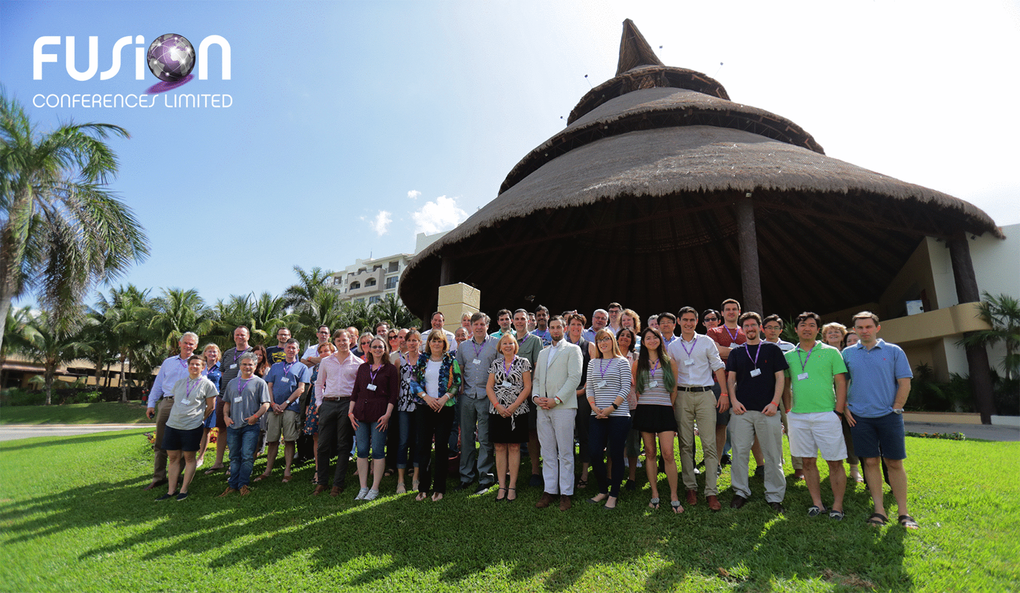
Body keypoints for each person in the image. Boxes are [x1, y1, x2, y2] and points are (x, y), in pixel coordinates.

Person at [842, 311, 917, 529]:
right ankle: (879, 511)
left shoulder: (894, 351)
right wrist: (845, 407)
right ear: (854, 330)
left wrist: (896, 408)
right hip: (859, 418)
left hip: (889, 417)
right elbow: (842, 383)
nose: (864, 331)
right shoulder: (847, 354)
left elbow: (904, 382)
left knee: (894, 462)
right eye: (860, 327)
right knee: (870, 462)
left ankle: (903, 513)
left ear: (877, 328)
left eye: (868, 326)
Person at [782, 312, 849, 520]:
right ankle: (817, 504)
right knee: (807, 462)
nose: (807, 328)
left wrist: (837, 412)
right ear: (796, 329)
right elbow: (786, 385)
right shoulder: (789, 356)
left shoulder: (830, 352)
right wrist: (788, 410)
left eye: (812, 325)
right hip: (798, 417)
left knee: (835, 461)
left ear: (818, 330)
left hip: (826, 415)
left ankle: (837, 505)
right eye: (803, 325)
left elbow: (840, 382)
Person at [726, 312, 789, 514]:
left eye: (754, 325)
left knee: (773, 455)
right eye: (746, 326)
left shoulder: (772, 350)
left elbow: (780, 378)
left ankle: (774, 495)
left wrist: (774, 403)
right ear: (742, 329)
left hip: (767, 410)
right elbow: (731, 379)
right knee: (740, 453)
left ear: (759, 327)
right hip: (741, 411)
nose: (750, 329)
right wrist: (734, 401)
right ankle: (741, 491)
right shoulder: (736, 352)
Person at [666, 307, 727, 511]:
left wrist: (724, 394)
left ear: (697, 321)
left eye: (692, 320)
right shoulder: (673, 346)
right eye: (685, 320)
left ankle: (711, 491)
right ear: (679, 321)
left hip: (704, 394)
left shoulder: (706, 341)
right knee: (685, 444)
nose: (689, 323)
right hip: (682, 395)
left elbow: (718, 367)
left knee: (709, 444)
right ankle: (690, 487)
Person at [533, 316, 582, 511]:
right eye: (551, 327)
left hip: (563, 407)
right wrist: (536, 397)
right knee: (547, 451)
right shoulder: (543, 353)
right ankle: (549, 490)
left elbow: (574, 378)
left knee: (565, 452)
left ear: (564, 328)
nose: (554, 330)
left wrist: (557, 399)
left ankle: (566, 493)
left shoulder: (572, 349)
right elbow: (536, 379)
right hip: (542, 408)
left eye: (558, 327)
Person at [632, 327, 682, 513]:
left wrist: (668, 405)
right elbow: (637, 389)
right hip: (645, 410)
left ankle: (674, 495)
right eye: (648, 338)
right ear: (643, 342)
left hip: (665, 410)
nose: (652, 340)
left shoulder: (670, 362)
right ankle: (654, 493)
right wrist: (644, 404)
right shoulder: (638, 363)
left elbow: (674, 389)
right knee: (650, 453)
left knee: (668, 453)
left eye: (655, 337)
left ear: (660, 340)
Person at [155, 354, 218, 501]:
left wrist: (199, 419)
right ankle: (171, 491)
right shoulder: (179, 383)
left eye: (198, 365)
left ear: (203, 368)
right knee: (173, 458)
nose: (194, 367)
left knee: (189, 458)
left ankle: (183, 490)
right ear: (188, 366)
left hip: (192, 427)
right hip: (173, 425)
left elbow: (211, 407)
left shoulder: (208, 384)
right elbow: (177, 402)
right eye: (192, 364)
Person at [144, 332, 199, 491]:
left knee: (184, 443)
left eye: (191, 344)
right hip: (168, 402)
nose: (188, 346)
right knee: (160, 442)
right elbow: (158, 384)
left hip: (188, 405)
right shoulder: (168, 362)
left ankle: (178, 475)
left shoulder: (198, 363)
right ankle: (158, 477)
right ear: (180, 344)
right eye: (186, 343)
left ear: (195, 346)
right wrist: (151, 404)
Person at [312, 330, 363, 496]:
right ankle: (322, 482)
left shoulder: (357, 362)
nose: (342, 343)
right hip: (328, 403)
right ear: (335, 342)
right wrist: (319, 404)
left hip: (347, 405)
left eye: (345, 340)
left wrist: (353, 408)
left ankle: (338, 484)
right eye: (339, 340)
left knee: (343, 445)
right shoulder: (326, 361)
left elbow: (359, 389)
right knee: (323, 445)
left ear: (350, 340)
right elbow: (319, 384)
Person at [585, 329, 632, 510]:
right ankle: (603, 489)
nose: (603, 343)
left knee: (616, 454)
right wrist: (594, 407)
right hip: (596, 414)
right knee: (595, 452)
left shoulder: (622, 362)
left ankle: (614, 494)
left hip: (618, 415)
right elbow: (590, 388)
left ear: (612, 340)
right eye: (599, 340)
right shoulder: (593, 363)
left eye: (606, 339)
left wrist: (611, 408)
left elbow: (625, 388)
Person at [413, 330, 462, 501]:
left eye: (439, 341)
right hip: (424, 407)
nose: (436, 344)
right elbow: (414, 382)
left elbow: (457, 382)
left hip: (445, 407)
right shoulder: (422, 360)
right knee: (424, 447)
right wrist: (426, 397)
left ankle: (439, 487)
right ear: (429, 343)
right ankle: (423, 487)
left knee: (441, 447)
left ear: (444, 344)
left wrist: (444, 398)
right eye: (433, 341)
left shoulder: (450, 360)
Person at [349, 336, 399, 500]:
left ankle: (375, 488)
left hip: (380, 414)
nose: (377, 349)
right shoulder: (363, 368)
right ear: (369, 349)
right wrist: (350, 413)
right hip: (360, 413)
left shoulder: (390, 369)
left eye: (381, 346)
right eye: (374, 346)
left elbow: (393, 395)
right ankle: (363, 487)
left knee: (377, 451)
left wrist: (387, 415)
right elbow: (355, 392)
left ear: (385, 350)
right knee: (362, 450)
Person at [454, 312, 499, 494]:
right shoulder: (463, 346)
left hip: (487, 396)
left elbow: (499, 369)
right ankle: (466, 476)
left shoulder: (496, 344)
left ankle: (485, 477)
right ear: (470, 327)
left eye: (482, 324)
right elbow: (460, 369)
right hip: (467, 397)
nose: (479, 327)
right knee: (466, 438)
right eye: (476, 324)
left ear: (487, 326)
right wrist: (462, 389)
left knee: (486, 438)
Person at [486, 333, 533, 501]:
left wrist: (513, 406)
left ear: (515, 346)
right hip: (497, 411)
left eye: (510, 343)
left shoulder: (523, 363)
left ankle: (512, 486)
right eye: (504, 343)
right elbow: (489, 387)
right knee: (499, 447)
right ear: (500, 346)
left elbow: (527, 387)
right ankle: (501, 486)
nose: (507, 346)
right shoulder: (495, 363)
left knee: (514, 446)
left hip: (517, 411)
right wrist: (498, 406)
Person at [256, 339, 310, 483]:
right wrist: (272, 403)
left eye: (294, 348)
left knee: (289, 439)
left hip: (291, 408)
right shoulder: (275, 367)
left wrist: (285, 404)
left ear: (298, 351)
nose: (291, 350)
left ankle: (287, 471)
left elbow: (301, 389)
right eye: (289, 347)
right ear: (284, 350)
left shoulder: (301, 367)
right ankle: (268, 470)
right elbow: (269, 386)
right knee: (272, 440)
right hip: (274, 409)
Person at [219, 353, 271, 497]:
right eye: (244, 364)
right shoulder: (232, 383)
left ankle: (243, 484)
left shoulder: (260, 383)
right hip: (233, 425)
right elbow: (227, 403)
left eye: (250, 365)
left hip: (250, 425)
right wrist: (225, 417)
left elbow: (266, 404)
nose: (247, 367)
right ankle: (232, 486)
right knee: (234, 457)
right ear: (240, 366)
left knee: (247, 456)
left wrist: (255, 417)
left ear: (255, 366)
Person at [706, 299, 746, 475]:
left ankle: (749, 464)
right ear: (722, 313)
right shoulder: (713, 331)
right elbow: (716, 352)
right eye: (727, 309)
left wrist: (726, 350)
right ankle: (716, 461)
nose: (731, 312)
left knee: (744, 424)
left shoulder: (746, 331)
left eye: (734, 309)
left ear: (739, 311)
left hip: (744, 382)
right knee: (720, 425)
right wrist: (743, 351)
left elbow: (724, 351)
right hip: (718, 382)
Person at [206, 326, 253, 474]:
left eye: (243, 335)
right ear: (234, 337)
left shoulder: (252, 352)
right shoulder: (228, 353)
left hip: (242, 397)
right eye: (237, 334)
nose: (240, 337)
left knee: (240, 428)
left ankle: (235, 463)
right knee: (222, 428)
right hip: (224, 396)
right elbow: (222, 373)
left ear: (248, 336)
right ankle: (218, 462)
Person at [762, 314, 802, 480]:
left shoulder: (790, 347)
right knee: (771, 433)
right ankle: (776, 464)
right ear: (763, 329)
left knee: (792, 428)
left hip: (787, 393)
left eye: (776, 327)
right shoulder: (758, 347)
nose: (773, 330)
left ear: (781, 330)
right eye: (769, 327)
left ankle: (799, 467)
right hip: (765, 394)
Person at [823, 321, 863, 483]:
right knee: (830, 437)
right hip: (826, 401)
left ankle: (854, 468)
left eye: (836, 332)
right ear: (825, 337)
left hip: (849, 401)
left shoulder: (849, 354)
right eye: (829, 332)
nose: (833, 334)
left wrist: (845, 403)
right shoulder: (822, 353)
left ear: (842, 335)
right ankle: (833, 467)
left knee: (850, 434)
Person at [512, 308, 544, 488]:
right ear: (512, 321)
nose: (519, 322)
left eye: (522, 319)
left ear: (528, 321)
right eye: (516, 319)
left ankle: (534, 470)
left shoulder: (535, 341)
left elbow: (537, 369)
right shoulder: (508, 340)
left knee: (532, 433)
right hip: (510, 395)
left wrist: (533, 391)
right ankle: (511, 469)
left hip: (528, 394)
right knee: (513, 433)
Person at [565, 313, 595, 489]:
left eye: (579, 324)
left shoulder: (589, 346)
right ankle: (567, 473)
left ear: (583, 327)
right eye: (573, 324)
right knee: (565, 436)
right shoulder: (561, 345)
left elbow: (593, 372)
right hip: (563, 397)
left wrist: (582, 390)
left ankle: (584, 472)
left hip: (583, 396)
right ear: (567, 326)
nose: (576, 327)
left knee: (584, 434)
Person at [395, 330, 423, 493]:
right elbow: (397, 383)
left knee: (418, 441)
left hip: (420, 405)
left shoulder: (425, 360)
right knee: (403, 441)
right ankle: (400, 480)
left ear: (420, 342)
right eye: (409, 340)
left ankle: (416, 477)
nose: (412, 343)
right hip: (404, 406)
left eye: (415, 340)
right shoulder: (399, 361)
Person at [303, 341, 335, 482]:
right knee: (316, 437)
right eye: (321, 352)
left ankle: (330, 468)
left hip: (331, 404)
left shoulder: (336, 367)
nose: (323, 354)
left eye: (326, 351)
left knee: (329, 438)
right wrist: (307, 406)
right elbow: (313, 387)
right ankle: (318, 470)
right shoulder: (317, 367)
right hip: (315, 405)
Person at [616, 328, 641, 490]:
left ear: (632, 340)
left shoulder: (637, 357)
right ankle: (612, 476)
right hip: (613, 405)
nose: (625, 338)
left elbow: (641, 381)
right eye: (622, 335)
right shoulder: (609, 355)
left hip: (632, 404)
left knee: (632, 443)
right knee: (615, 443)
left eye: (628, 336)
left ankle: (631, 477)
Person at [196, 343, 222, 469]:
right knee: (195, 426)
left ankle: (201, 456)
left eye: (214, 352)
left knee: (206, 429)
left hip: (213, 401)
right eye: (209, 351)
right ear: (205, 353)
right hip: (198, 400)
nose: (212, 354)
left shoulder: (221, 368)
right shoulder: (200, 366)